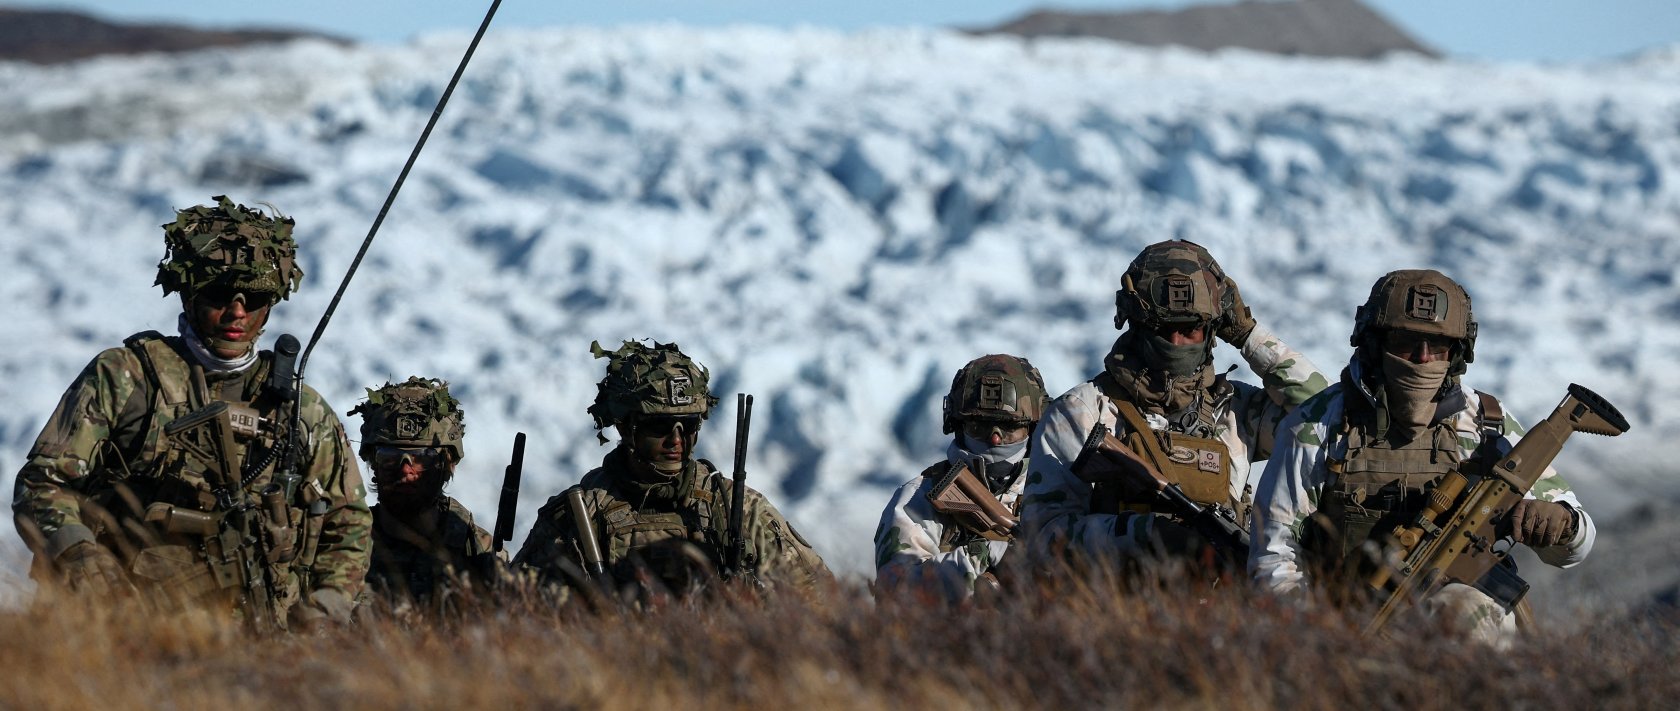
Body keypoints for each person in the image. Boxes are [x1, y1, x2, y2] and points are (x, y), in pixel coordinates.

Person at [11, 195, 371, 627]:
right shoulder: (129, 377)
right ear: (189, 294)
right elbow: (42, 482)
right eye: (220, 294)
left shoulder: (301, 410)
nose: (237, 312)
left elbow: (347, 521)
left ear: (270, 304)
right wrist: (83, 558)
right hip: (119, 626)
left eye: (253, 297)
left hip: (261, 637)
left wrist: (325, 606)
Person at [1250, 269, 1594, 641]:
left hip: (1467, 634)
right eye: (1405, 342)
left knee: (1465, 611)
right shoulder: (1319, 426)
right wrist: (1316, 639)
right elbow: (1275, 556)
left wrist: (1562, 523)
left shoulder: (1485, 426)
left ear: (1457, 354)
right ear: (1374, 344)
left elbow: (1576, 547)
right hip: (1350, 626)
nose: (1422, 358)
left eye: (1438, 346)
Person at [1022, 239, 1329, 575]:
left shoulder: (1236, 411)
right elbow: (1043, 540)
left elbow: (1321, 412)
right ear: (1136, 323)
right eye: (1163, 328)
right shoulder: (1081, 412)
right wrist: (1141, 534)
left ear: (1213, 331)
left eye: (1191, 329)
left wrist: (1248, 335)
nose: (1176, 343)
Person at [515, 340, 829, 600]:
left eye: (689, 424)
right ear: (626, 427)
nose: (676, 439)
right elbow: (520, 612)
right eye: (659, 426)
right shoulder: (578, 517)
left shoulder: (737, 509)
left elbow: (822, 597)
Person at [873, 354, 1048, 601]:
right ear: (957, 424)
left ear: (1033, 427)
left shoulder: (1058, 489)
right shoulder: (919, 499)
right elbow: (894, 595)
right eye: (980, 425)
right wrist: (984, 554)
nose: (995, 439)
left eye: (1009, 427)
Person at [349, 376, 506, 610]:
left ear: (448, 464)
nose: (406, 470)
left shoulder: (475, 548)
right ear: (374, 464)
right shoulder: (346, 545)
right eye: (390, 458)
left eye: (422, 457)